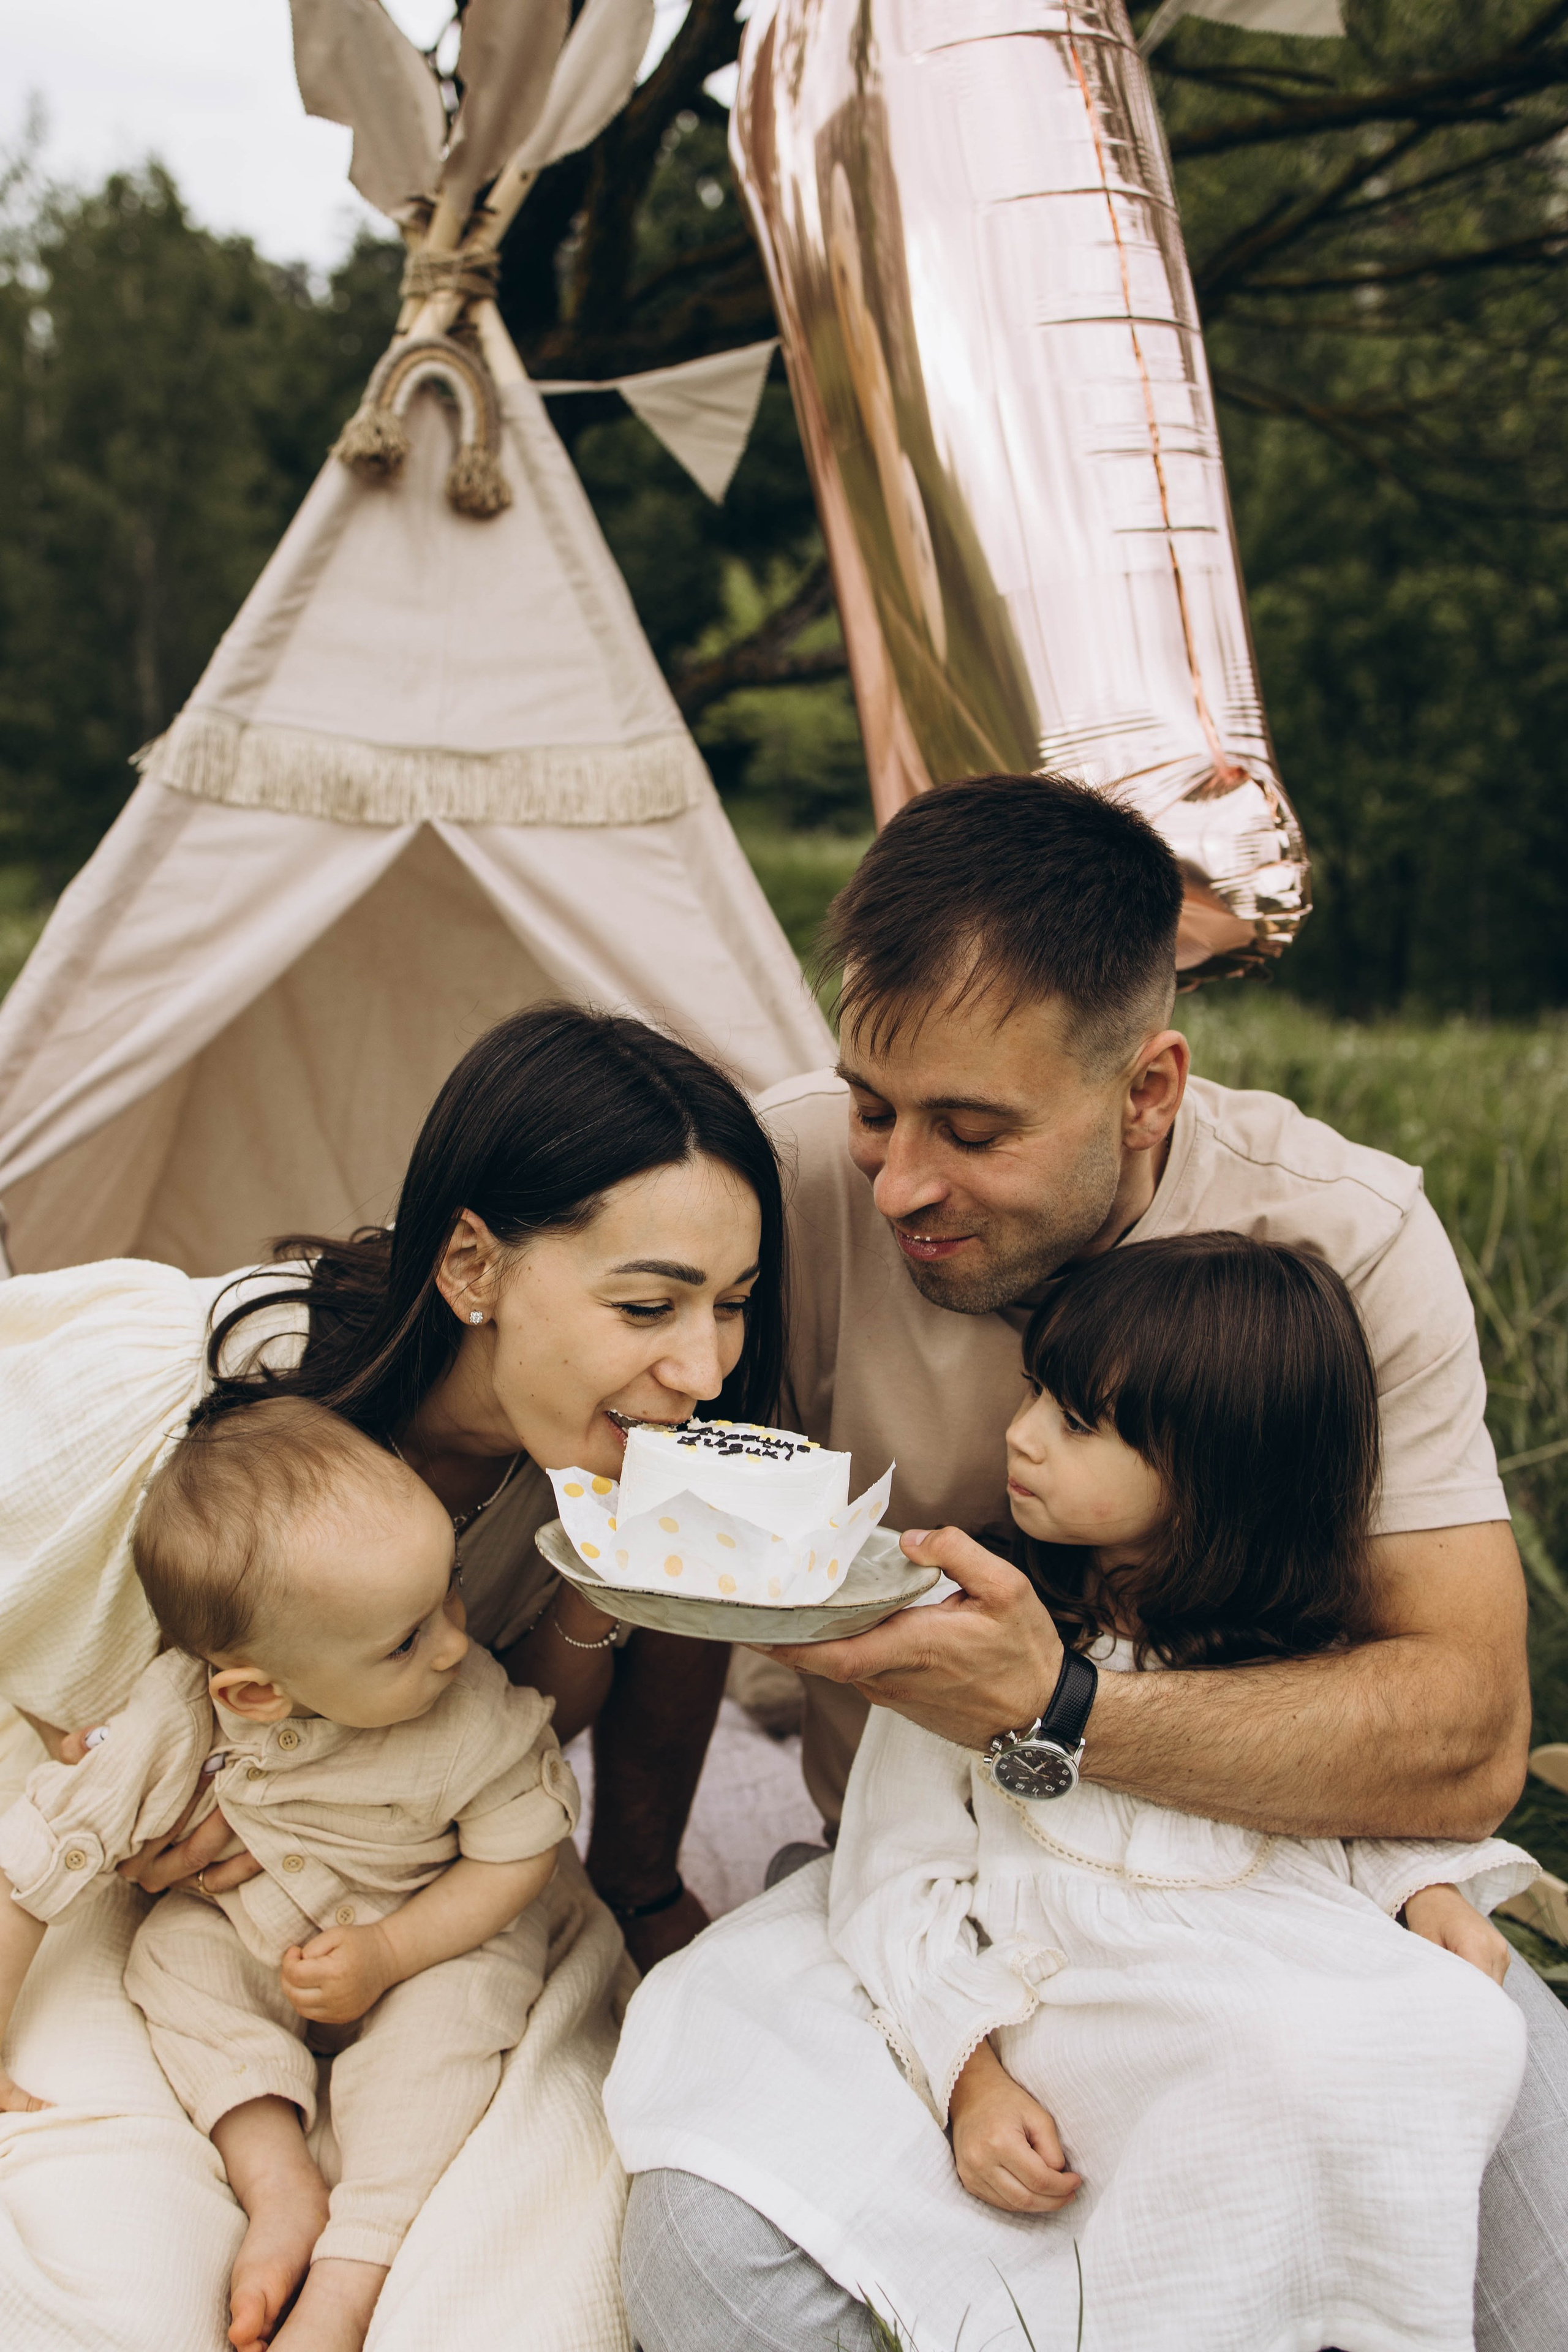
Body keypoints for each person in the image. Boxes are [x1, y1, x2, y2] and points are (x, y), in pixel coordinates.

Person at [619, 775, 1568, 2351]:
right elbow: (675, 1547)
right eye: (872, 1105)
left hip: (1272, 1873)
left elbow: (1462, 1740)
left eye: (972, 1130)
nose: (897, 1182)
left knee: (1524, 2187)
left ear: (1146, 1090)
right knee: (702, 2263)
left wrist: (1054, 1708)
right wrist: (639, 1883)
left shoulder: (1338, 1236)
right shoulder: (772, 1191)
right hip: (932, 1882)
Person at [0, 1001, 783, 2351]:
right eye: (649, 1305)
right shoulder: (210, 1393)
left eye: (734, 1304)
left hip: (412, 1886)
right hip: (115, 1874)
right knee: (116, 2270)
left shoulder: (606, 1457)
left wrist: (607, 1576)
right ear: (472, 1265)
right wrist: (111, 1751)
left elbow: (515, 1738)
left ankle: (357, 2259)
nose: (704, 1366)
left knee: (527, 2258)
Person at [608, 1233, 1536, 2350]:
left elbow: (1344, 1809)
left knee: (1451, 2031)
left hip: (1238, 1963)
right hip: (1057, 1985)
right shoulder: (975, 1624)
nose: (1021, 1434)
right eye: (1037, 1392)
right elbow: (899, 1862)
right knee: (1268, 2055)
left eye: (1079, 1422)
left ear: (1221, 1469)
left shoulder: (1292, 1656)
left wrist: (1425, 1889)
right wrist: (970, 2078)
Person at [0, 1395, 580, 2352]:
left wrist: (392, 1953)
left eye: (449, 1591)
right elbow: (32, 1861)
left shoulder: (470, 1710)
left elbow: (518, 1855)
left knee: (449, 2035)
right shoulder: (174, 1720)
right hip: (252, 1926)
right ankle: (278, 2183)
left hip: (429, 1924)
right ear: (258, 1692)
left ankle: (355, 2268)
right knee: (174, 1968)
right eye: (404, 1640)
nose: (453, 1644)